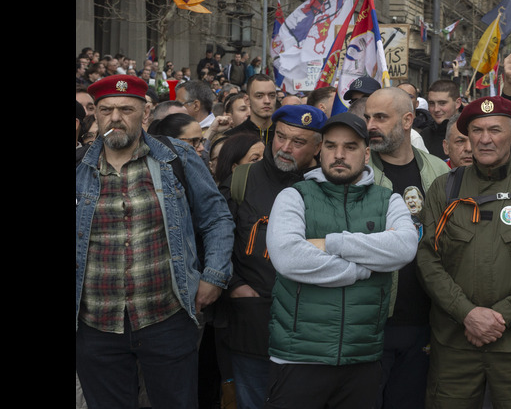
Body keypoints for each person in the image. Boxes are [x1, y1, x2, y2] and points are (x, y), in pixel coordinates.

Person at [76, 75, 234, 408]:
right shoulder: (78, 168)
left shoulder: (177, 158)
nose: (115, 118)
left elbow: (217, 217)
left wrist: (213, 276)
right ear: (96, 114)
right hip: (96, 325)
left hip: (166, 317)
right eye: (106, 110)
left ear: (144, 113)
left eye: (125, 109)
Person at [417, 96, 511, 408]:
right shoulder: (444, 189)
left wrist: (501, 317)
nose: (485, 139)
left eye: (495, 130)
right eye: (477, 130)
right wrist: (467, 314)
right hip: (454, 346)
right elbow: (427, 261)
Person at [264, 112, 418, 409]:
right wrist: (364, 267)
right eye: (331, 146)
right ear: (319, 149)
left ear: (367, 153)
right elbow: (288, 258)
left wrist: (333, 242)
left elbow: (403, 248)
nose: (339, 155)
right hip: (298, 356)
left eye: (350, 147)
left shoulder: (389, 200)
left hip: (363, 356)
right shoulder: (294, 196)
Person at [219, 105, 326, 409]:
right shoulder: (241, 180)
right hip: (251, 322)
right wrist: (236, 285)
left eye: (298, 142)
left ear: (318, 147)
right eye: (280, 137)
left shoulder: (327, 187)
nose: (285, 148)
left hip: (309, 329)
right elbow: (215, 240)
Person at [362, 88, 450, 409]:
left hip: (423, 323)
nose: (371, 124)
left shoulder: (440, 172)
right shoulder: (359, 172)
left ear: (407, 120)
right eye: (368, 117)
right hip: (371, 322)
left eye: (381, 117)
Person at [224, 74, 278, 144]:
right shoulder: (231, 138)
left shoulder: (284, 136)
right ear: (247, 100)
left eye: (272, 96)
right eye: (259, 96)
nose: (267, 101)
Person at [419, 79, 463, 159]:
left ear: (457, 103)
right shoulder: (424, 136)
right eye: (432, 103)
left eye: (442, 103)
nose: (436, 109)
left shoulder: (471, 133)